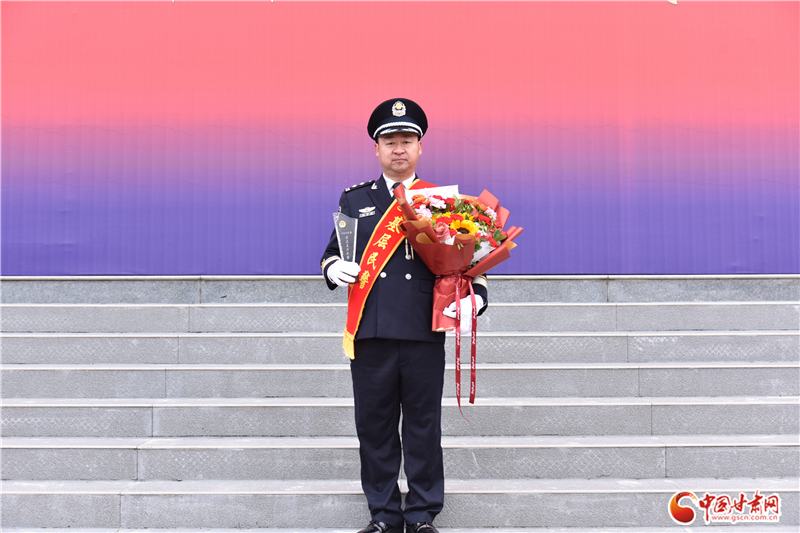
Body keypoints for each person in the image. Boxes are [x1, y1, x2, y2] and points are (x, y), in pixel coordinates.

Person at [320, 98, 489, 533]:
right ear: (377, 148)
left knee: (422, 425)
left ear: (420, 147)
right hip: (371, 330)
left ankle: (422, 514)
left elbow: (470, 261)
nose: (399, 149)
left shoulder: (441, 201)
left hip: (422, 329)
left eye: (407, 141)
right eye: (390, 141)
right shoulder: (356, 198)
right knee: (374, 425)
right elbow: (333, 252)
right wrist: (332, 268)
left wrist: (476, 297)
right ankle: (383, 514)